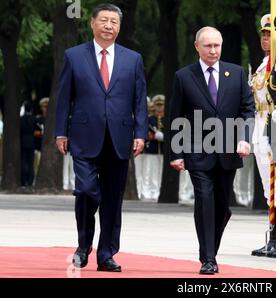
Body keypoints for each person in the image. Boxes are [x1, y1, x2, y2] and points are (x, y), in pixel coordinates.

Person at [54, 3, 148, 272]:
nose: (109, 26)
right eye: (104, 20)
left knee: (112, 200)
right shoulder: (74, 56)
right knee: (85, 191)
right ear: (92, 23)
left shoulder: (133, 59)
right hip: (83, 136)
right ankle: (84, 245)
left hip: (119, 137)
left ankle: (107, 253)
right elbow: (64, 98)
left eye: (114, 22)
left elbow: (140, 100)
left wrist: (140, 133)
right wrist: (61, 131)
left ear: (119, 27)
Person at [168, 26, 255, 274]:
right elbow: (175, 117)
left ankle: (210, 250)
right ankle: (208, 258)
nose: (213, 50)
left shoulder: (236, 74)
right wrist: (176, 153)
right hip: (197, 151)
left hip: (229, 152)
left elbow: (247, 110)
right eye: (208, 46)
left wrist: (245, 138)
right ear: (197, 46)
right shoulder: (184, 77)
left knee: (222, 207)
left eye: (217, 45)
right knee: (204, 200)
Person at [20, 101, 36, 187]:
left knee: (23, 162)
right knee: (31, 163)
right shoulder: (34, 119)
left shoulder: (21, 119)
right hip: (32, 142)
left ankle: (23, 181)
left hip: (23, 142)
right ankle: (30, 181)